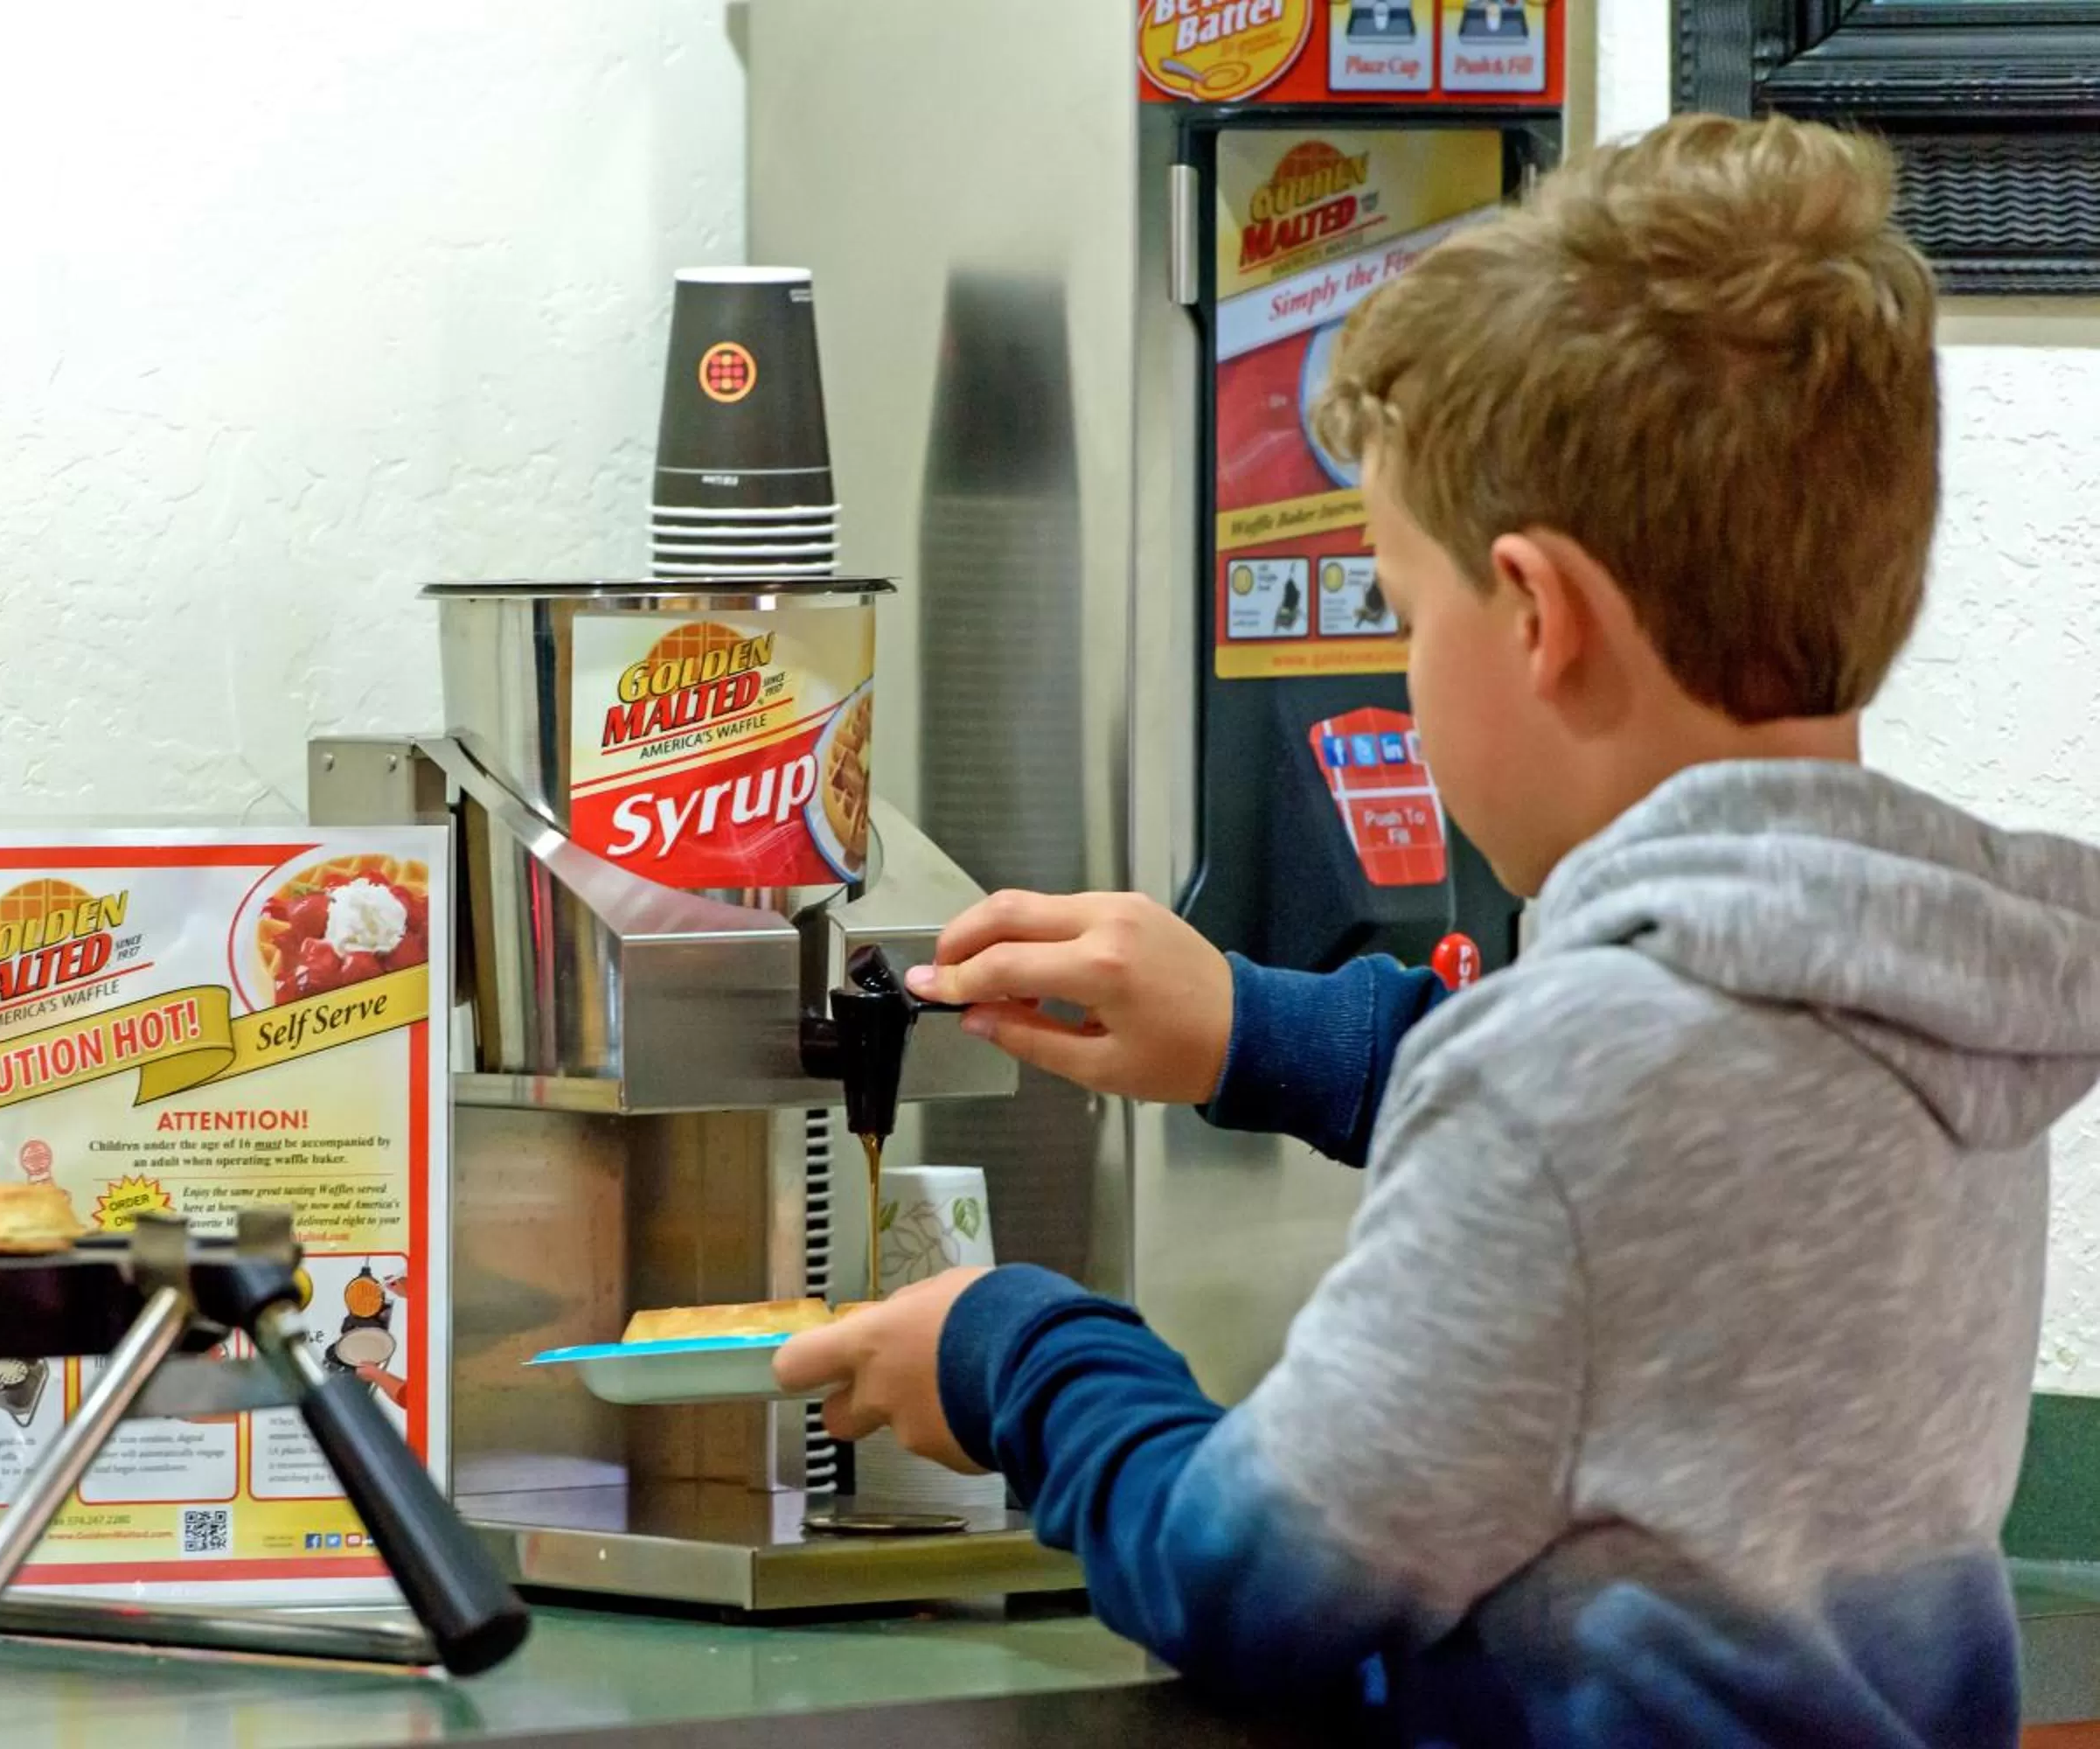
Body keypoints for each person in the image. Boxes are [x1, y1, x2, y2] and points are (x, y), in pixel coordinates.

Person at [778, 113, 2100, 1746]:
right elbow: (1659, 1138)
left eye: (1404, 617)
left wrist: (1014, 1351)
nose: (1403, 687)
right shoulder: (1938, 995)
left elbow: (1247, 1574)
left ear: (1539, 616)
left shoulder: (1563, 1082)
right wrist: (1259, 1029)